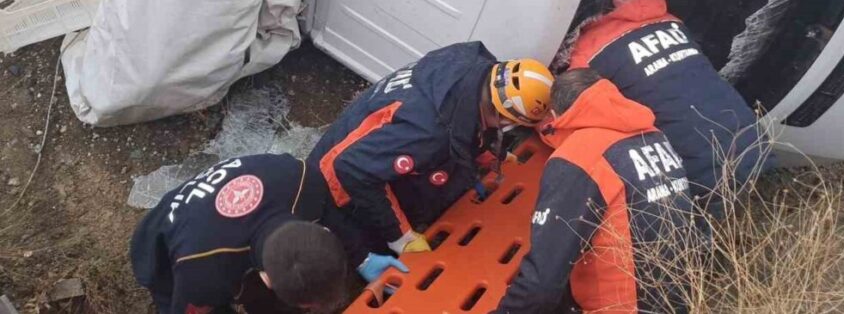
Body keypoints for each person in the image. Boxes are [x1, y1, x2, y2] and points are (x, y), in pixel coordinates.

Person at [307, 41, 553, 274]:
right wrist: (400, 236)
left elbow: (466, 119)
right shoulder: (429, 134)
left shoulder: (465, 63)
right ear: (504, 117)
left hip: (367, 140)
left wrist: (485, 153)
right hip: (336, 188)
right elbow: (352, 170)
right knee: (345, 249)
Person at [495, 69, 694, 313]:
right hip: (683, 295)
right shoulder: (652, 135)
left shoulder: (579, 157)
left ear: (556, 115)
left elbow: (542, 281)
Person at [570, 0, 770, 206]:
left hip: (703, 171)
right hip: (757, 142)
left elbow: (568, 113)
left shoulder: (586, 54)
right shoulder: (670, 20)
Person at [130, 153, 347, 314]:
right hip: (159, 249)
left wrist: (365, 259)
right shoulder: (201, 273)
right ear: (266, 279)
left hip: (218, 230)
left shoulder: (304, 180)